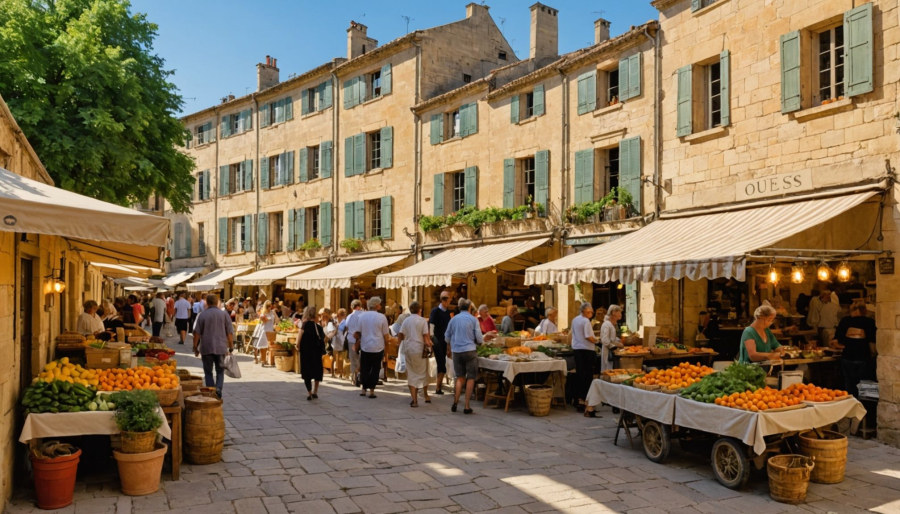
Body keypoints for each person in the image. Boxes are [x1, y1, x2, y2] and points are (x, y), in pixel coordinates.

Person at [445, 298, 487, 414]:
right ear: (469, 308)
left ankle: (455, 401)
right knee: (471, 378)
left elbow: (447, 336)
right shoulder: (473, 320)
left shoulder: (453, 320)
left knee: (459, 377)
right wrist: (479, 343)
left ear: (459, 308)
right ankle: (467, 406)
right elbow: (479, 338)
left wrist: (451, 345)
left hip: (457, 351)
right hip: (470, 350)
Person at [193, 294, 234, 399]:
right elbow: (230, 332)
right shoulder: (224, 315)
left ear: (207, 302)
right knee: (220, 370)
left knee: (208, 371)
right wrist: (231, 346)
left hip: (206, 347)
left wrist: (195, 347)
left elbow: (197, 333)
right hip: (220, 347)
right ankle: (219, 389)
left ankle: (211, 392)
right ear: (216, 303)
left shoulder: (202, 315)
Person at [352, 297, 394, 398]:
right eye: (380, 304)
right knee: (375, 369)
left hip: (365, 346)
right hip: (377, 346)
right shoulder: (382, 317)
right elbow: (385, 335)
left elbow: (357, 332)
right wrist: (387, 344)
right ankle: (371, 391)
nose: (381, 305)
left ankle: (363, 389)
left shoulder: (362, 316)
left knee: (365, 368)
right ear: (376, 305)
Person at [832, 303, 876, 398]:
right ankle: (863, 407)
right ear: (864, 311)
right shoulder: (870, 322)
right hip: (864, 358)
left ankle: (851, 404)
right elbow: (873, 345)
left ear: (853, 311)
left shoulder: (844, 321)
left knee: (849, 387)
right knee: (865, 387)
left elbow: (835, 343)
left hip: (847, 358)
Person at [399, 301, 433, 407]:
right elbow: (425, 336)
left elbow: (401, 334)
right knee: (423, 372)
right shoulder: (422, 321)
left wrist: (400, 344)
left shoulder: (406, 320)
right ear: (420, 310)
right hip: (419, 349)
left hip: (409, 348)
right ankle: (425, 395)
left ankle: (414, 399)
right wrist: (430, 345)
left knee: (411, 373)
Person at [572, 302, 599, 416]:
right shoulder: (586, 321)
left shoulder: (575, 319)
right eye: (589, 312)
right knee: (587, 376)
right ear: (584, 311)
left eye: (592, 311)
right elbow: (588, 336)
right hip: (587, 350)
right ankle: (584, 400)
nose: (591, 313)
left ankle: (578, 400)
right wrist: (597, 340)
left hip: (577, 349)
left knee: (580, 374)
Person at [297, 306, 325, 401]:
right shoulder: (319, 328)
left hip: (306, 352)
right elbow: (323, 339)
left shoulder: (304, 325)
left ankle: (309, 393)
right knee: (317, 370)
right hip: (316, 352)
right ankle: (315, 392)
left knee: (307, 371)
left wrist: (297, 346)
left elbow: (299, 337)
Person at [429, 292, 453, 395]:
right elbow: (431, 326)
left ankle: (439, 386)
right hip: (437, 340)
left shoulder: (447, 312)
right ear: (443, 300)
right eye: (448, 300)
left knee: (442, 363)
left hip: (445, 341)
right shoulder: (435, 311)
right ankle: (438, 387)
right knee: (441, 362)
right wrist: (431, 339)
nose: (449, 302)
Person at [344, 300, 364, 386]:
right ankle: (361, 377)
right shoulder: (364, 315)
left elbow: (347, 327)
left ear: (352, 307)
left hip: (352, 340)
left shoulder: (350, 316)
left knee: (353, 360)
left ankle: (354, 378)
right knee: (362, 360)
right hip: (363, 341)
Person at [599, 306, 625, 372]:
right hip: (608, 352)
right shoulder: (606, 324)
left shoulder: (611, 324)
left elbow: (612, 338)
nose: (620, 314)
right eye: (618, 312)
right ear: (613, 313)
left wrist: (619, 340)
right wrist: (615, 346)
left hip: (611, 352)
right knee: (607, 371)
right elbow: (605, 340)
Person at [254, 301, 278, 366]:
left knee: (269, 347)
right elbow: (263, 321)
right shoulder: (263, 313)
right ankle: (263, 360)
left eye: (270, 306)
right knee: (263, 347)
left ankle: (266, 360)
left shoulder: (272, 313)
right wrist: (264, 318)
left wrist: (275, 314)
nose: (269, 307)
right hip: (264, 330)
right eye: (268, 306)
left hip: (270, 330)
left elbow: (277, 320)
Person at [331, 308, 348, 379]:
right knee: (340, 357)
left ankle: (336, 372)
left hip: (335, 341)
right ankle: (340, 372)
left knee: (335, 357)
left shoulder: (339, 322)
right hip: (340, 341)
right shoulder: (343, 322)